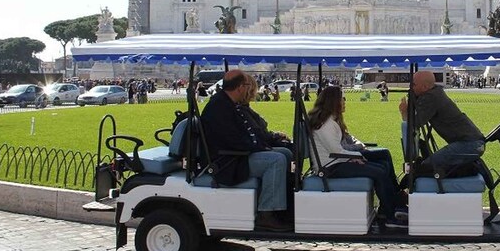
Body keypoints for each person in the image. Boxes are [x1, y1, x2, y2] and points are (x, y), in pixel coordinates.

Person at [200, 70, 291, 232]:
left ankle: (284, 205)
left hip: (236, 154)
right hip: (227, 161)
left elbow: (246, 134)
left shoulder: (228, 103)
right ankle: (266, 214)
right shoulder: (219, 107)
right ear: (240, 87)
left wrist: (263, 144)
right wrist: (260, 146)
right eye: (247, 85)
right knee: (276, 160)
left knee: (285, 153)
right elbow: (233, 140)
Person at [307, 86, 406, 228]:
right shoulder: (326, 125)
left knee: (381, 166)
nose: (344, 102)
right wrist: (357, 155)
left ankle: (389, 207)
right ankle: (390, 215)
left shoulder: (330, 121)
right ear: (334, 102)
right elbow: (335, 150)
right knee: (379, 171)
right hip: (330, 167)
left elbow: (339, 148)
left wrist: (355, 155)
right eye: (342, 99)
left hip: (336, 161)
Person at [398, 70, 485, 176]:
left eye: (414, 84)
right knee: (427, 165)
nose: (411, 87)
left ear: (425, 87)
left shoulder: (431, 97)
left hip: (469, 144)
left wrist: (404, 111)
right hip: (472, 143)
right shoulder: (436, 92)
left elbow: (414, 123)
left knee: (427, 166)